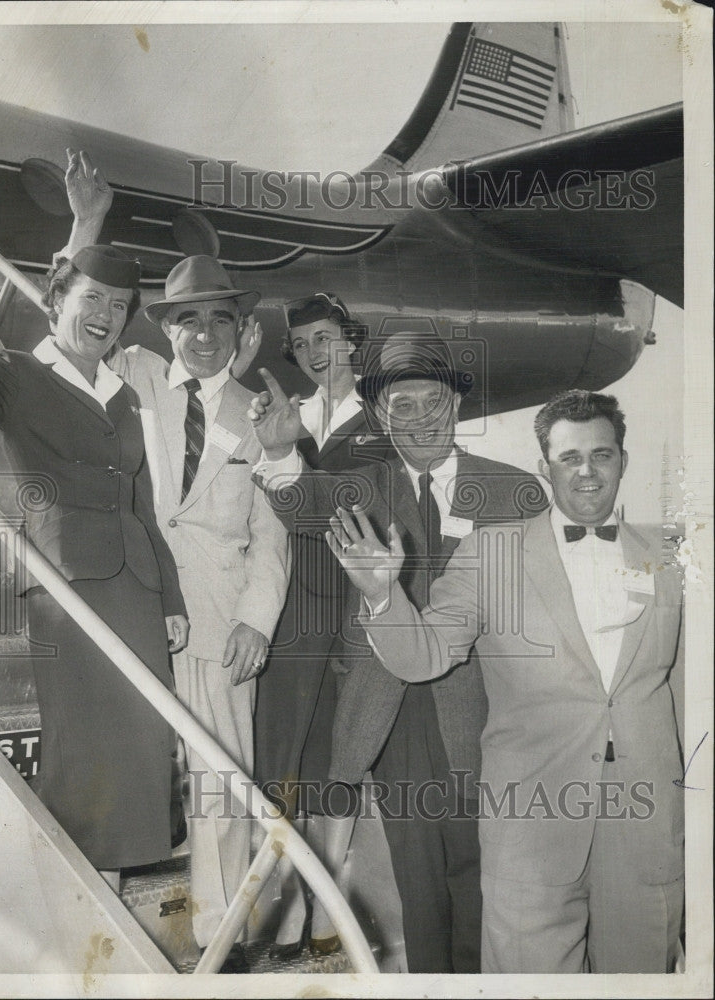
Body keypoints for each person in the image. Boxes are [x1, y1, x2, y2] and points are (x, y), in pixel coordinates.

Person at [327, 389, 684, 974]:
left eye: (602, 454)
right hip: (531, 820)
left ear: (623, 459)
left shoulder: (671, 556)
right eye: (570, 458)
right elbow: (423, 656)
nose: (588, 472)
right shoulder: (488, 553)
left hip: (645, 818)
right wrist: (383, 595)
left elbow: (692, 693)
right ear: (545, 468)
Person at [249, 330, 547, 972]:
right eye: (399, 406)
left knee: (480, 869)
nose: (416, 420)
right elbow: (302, 505)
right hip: (390, 706)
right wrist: (277, 453)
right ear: (381, 416)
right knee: (418, 878)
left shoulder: (513, 490)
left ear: (457, 406)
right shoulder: (360, 485)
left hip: (485, 707)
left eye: (431, 402)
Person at [59, 155, 290, 971]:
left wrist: (259, 621)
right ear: (166, 327)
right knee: (120, 756)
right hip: (138, 599)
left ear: (239, 329)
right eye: (185, 318)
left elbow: (274, 531)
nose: (200, 333)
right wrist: (85, 225)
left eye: (216, 320)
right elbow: (62, 331)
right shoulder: (137, 375)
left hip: (223, 617)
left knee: (221, 783)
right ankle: (92, 921)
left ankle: (219, 935)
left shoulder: (262, 412)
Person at [0, 218, 188, 890]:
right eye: (91, 299)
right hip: (69, 588)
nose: (104, 315)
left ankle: (111, 912)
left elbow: (138, 503)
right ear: (57, 300)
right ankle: (80, 910)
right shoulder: (15, 373)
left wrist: (173, 599)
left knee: (140, 756)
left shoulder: (126, 395)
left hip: (136, 588)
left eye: (119, 306)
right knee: (85, 760)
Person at [252, 293, 392, 958]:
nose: (314, 351)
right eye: (302, 342)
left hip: (354, 606)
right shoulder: (285, 418)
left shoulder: (385, 416)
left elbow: (350, 506)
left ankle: (332, 895)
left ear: (352, 341)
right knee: (284, 759)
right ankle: (287, 900)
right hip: (291, 609)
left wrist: (283, 467)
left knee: (339, 760)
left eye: (326, 337)